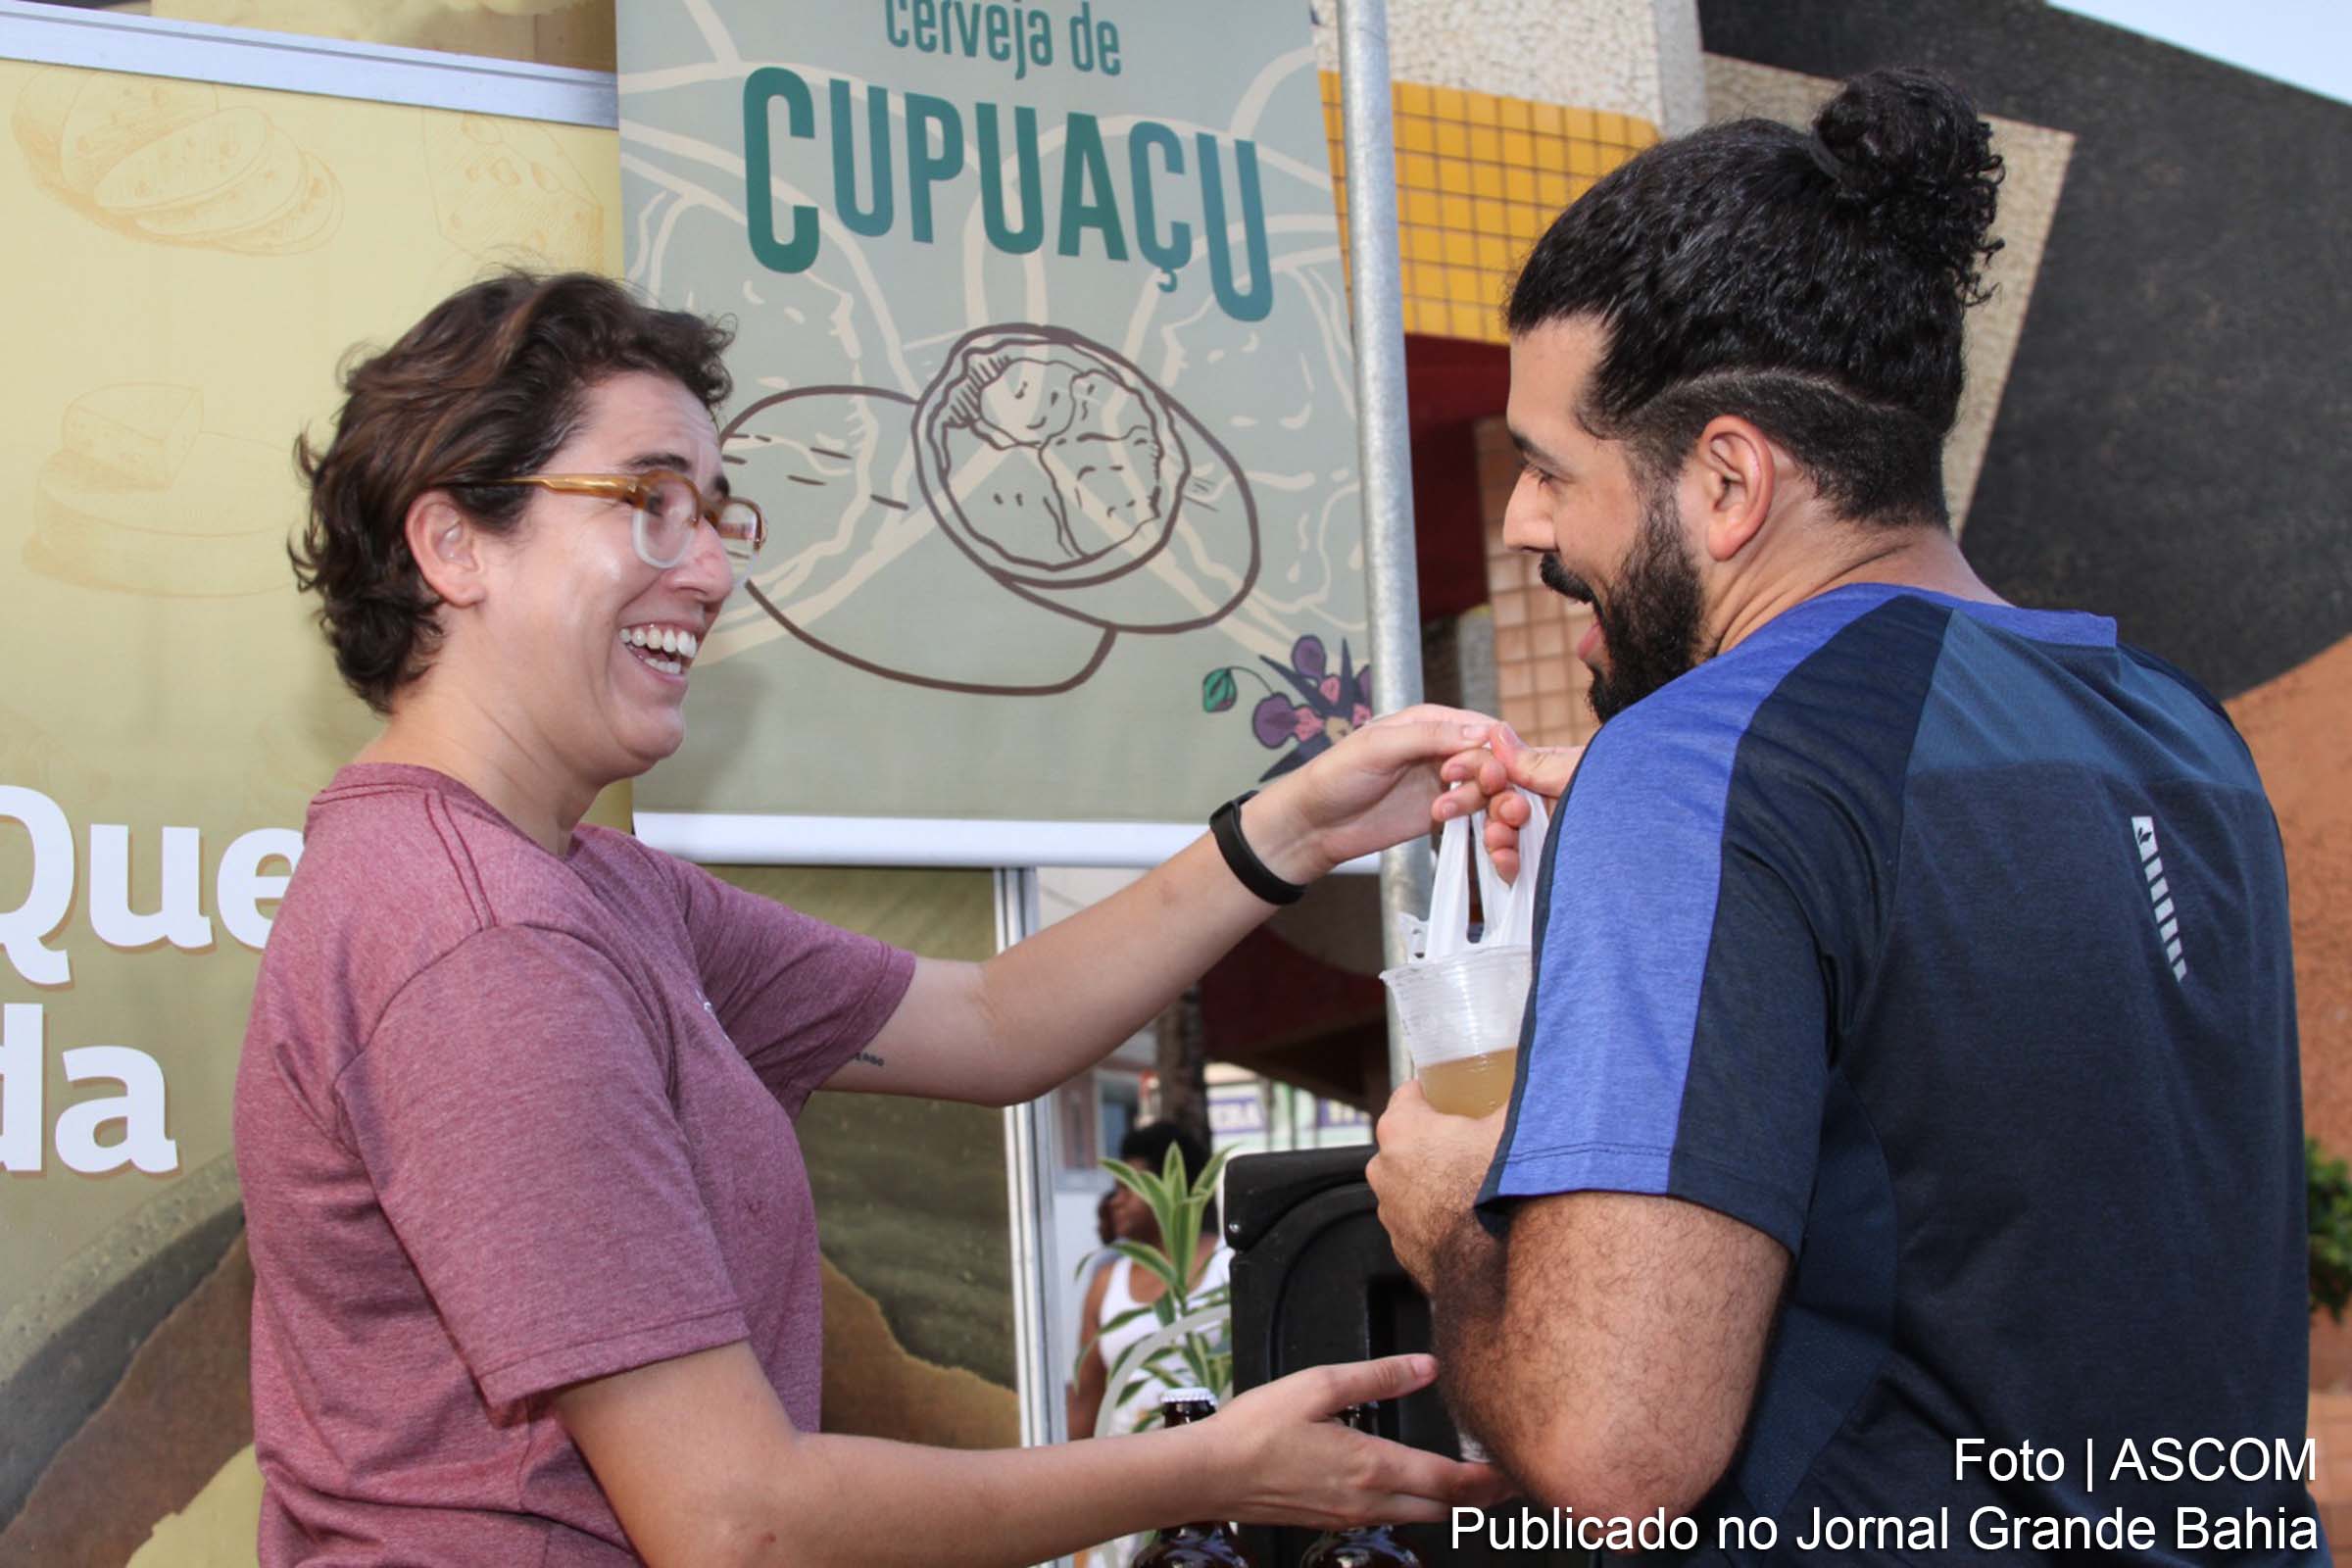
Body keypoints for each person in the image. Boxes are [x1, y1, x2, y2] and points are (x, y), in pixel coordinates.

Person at [235, 270, 1508, 1567]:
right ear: (452, 544)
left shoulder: (592, 887)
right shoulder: (486, 940)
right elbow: (738, 1519)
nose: (716, 568)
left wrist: (1291, 830)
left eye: (721, 513)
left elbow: (996, 1020)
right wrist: (1217, 1465)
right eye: (651, 504)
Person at [1369, 68, 2320, 1560]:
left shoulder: (1703, 767)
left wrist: (1447, 1219)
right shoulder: (2183, 736)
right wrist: (1705, 846)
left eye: (1555, 469)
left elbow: (1615, 1452)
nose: (1524, 524)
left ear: (1730, 479)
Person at [1071, 1121, 1234, 1442]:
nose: (1114, 1201)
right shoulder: (1106, 1285)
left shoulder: (1229, 1267)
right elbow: (1086, 1396)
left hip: (1217, 1464)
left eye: (1126, 1188)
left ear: (1168, 1190)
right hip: (1126, 1471)